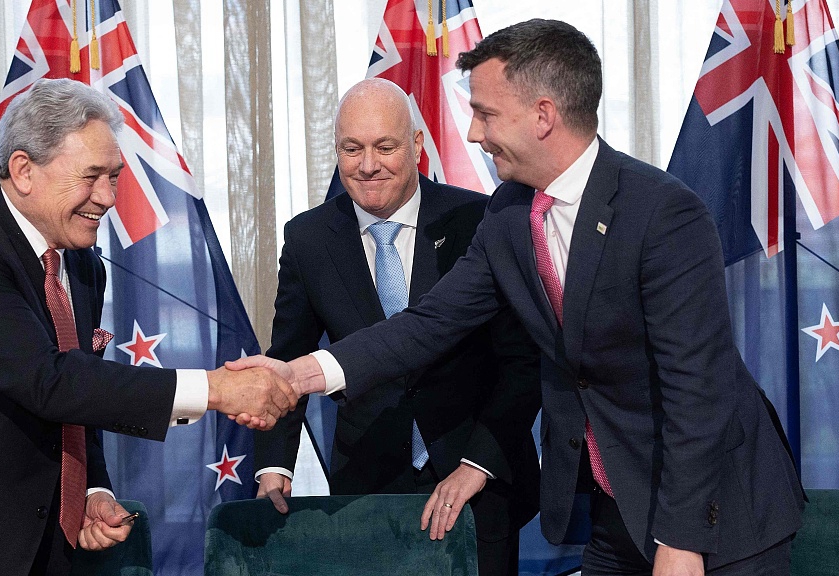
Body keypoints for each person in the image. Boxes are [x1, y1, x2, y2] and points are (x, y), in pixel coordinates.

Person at [230, 20, 805, 576]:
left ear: (543, 116)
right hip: (616, 507)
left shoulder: (662, 213)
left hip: (716, 515)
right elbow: (430, 321)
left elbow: (695, 389)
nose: (474, 132)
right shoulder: (509, 215)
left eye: (484, 113)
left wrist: (681, 541)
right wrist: (302, 374)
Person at [0, 78, 296, 576]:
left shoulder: (82, 265)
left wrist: (92, 489)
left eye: (115, 177)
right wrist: (215, 389)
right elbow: (46, 380)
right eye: (92, 177)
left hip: (11, 529)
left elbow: (77, 390)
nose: (108, 197)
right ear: (24, 170)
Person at [252, 78, 541, 576]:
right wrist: (275, 464)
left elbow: (522, 359)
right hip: (367, 485)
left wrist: (479, 462)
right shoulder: (308, 238)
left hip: (476, 478)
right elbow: (288, 357)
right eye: (352, 148)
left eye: (385, 147)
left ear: (417, 145)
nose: (368, 165)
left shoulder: (480, 220)